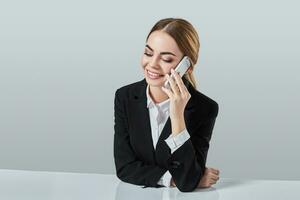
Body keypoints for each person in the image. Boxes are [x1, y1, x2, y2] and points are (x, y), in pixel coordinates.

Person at [113, 18, 220, 192]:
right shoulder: (124, 97)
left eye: (167, 59)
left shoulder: (204, 109)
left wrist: (177, 115)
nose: (152, 64)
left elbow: (186, 183)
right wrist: (172, 178)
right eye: (148, 53)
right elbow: (125, 168)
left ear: (187, 67)